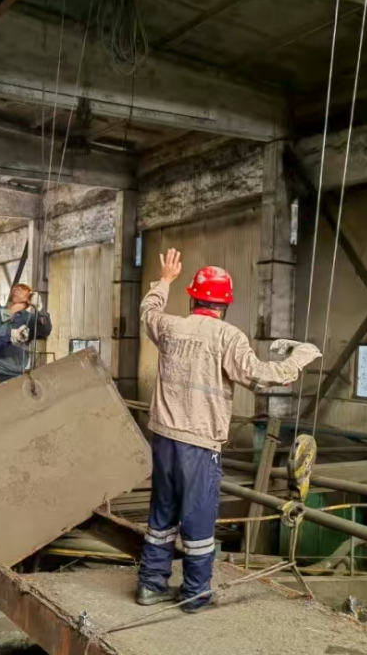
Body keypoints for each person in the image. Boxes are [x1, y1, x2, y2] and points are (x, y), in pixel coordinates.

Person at [137, 249, 322, 613]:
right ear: (225, 306)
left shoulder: (169, 327)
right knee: (198, 521)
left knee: (161, 515)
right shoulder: (228, 337)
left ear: (193, 298)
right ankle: (195, 595)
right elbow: (261, 377)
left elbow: (148, 311)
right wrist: (298, 360)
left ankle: (150, 586)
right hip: (199, 444)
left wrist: (165, 280)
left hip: (163, 439)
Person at [0, 283, 52, 389]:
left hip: (10, 375)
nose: (18, 288)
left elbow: (46, 330)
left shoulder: (28, 319)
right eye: (17, 287)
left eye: (23, 288)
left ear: (30, 298)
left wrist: (40, 310)